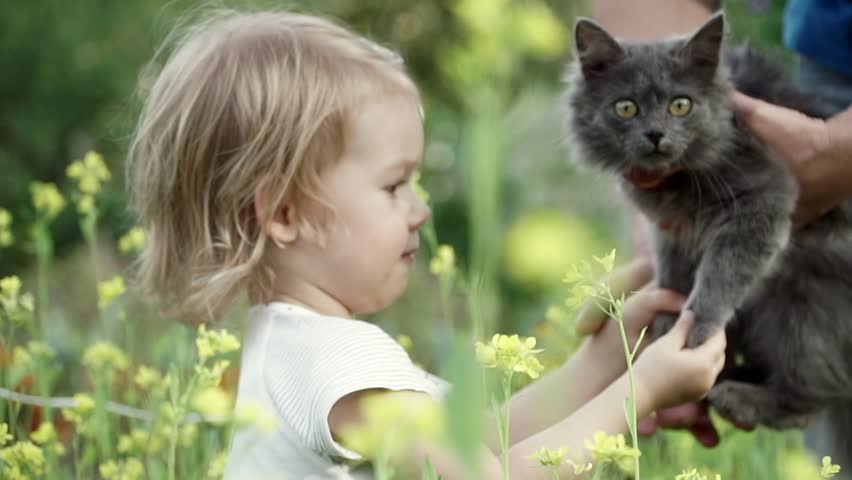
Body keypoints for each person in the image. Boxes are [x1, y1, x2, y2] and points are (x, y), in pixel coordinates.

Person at [126, 9, 727, 479]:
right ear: (284, 212)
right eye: (394, 185)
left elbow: (474, 441)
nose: (420, 210)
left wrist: (603, 358)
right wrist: (642, 389)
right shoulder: (337, 367)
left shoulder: (298, 344)